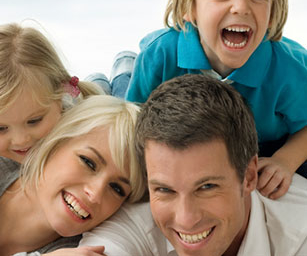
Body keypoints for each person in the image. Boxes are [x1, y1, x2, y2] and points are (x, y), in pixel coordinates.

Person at [125, 0, 307, 199]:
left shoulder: (289, 69)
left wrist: (284, 160)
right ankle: (123, 67)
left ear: (273, 13)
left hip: (265, 145)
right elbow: (132, 122)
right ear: (190, 8)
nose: (240, 7)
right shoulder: (159, 54)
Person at [80, 74, 307, 256]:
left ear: (248, 176)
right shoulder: (134, 222)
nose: (186, 220)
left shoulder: (300, 233)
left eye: (207, 187)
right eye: (165, 190)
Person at [0, 94, 146, 256]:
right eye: (88, 162)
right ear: (56, 142)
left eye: (117, 189)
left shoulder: (81, 250)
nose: (95, 194)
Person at [0, 22, 103, 164]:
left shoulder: (84, 129)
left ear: (60, 95)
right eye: (1, 128)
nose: (21, 139)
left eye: (34, 121)